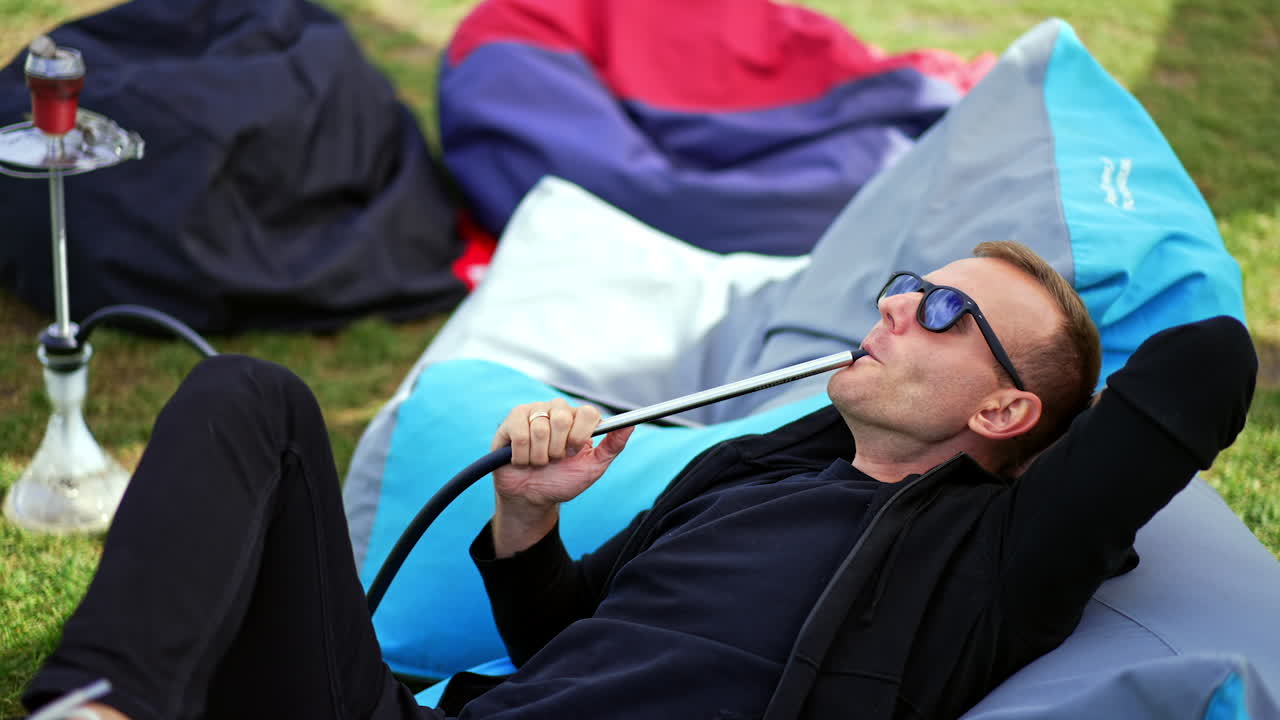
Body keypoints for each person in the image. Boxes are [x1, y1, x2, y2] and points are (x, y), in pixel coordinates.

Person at [20, 242, 1256, 720]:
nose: (892, 306)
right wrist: (524, 517)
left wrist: (1061, 386)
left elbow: (1204, 365)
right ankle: (97, 709)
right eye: (907, 285)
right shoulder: (758, 466)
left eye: (941, 312)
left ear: (1000, 410)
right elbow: (565, 642)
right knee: (255, 399)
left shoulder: (991, 556)